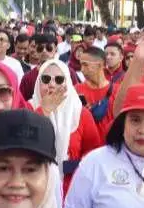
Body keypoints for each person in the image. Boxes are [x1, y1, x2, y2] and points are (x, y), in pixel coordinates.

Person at [31, 58, 102, 196]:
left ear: (68, 83)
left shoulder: (80, 114)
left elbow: (93, 155)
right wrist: (43, 112)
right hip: (35, 189)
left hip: (73, 190)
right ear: (38, 82)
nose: (52, 85)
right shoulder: (29, 108)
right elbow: (25, 143)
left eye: (58, 80)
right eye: (46, 79)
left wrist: (70, 166)